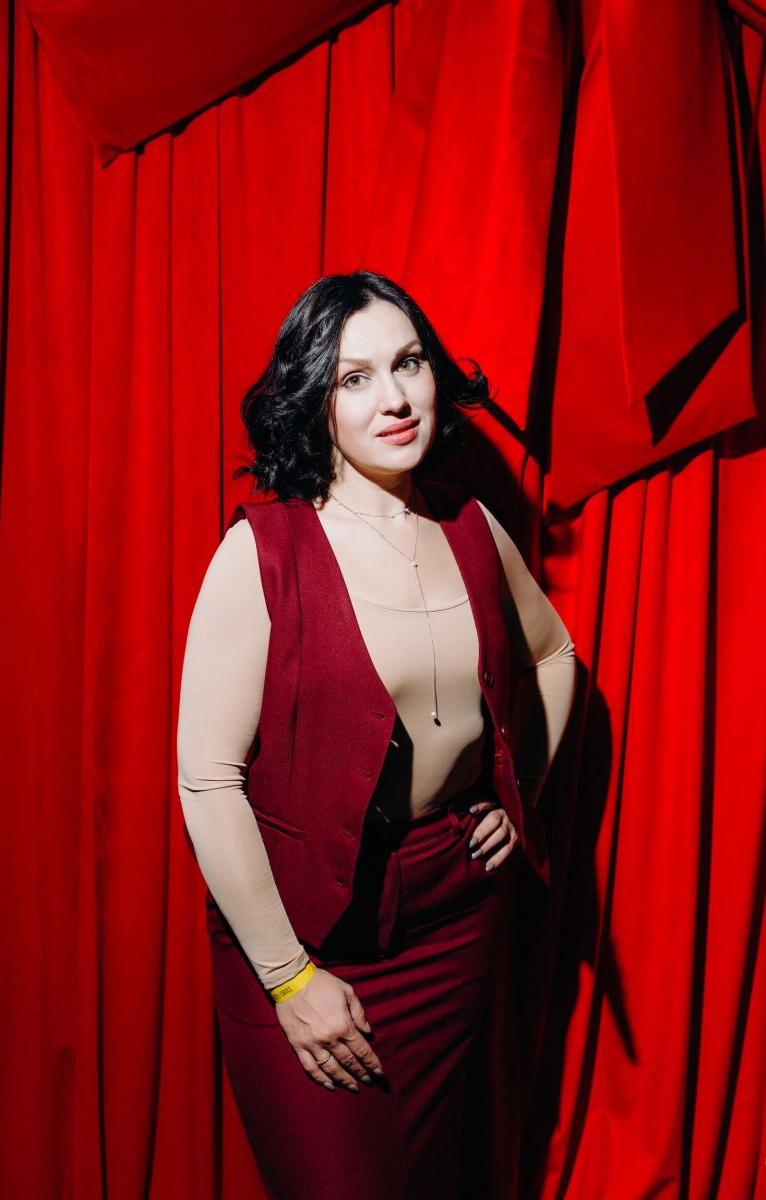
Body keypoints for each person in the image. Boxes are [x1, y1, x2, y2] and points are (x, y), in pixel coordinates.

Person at [176, 270, 577, 1199]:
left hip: (451, 921)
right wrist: (288, 978)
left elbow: (555, 656)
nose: (394, 398)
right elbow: (208, 781)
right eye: (354, 378)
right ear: (313, 402)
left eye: (409, 363)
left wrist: (520, 794)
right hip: (306, 932)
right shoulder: (263, 551)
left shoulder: (471, 526)